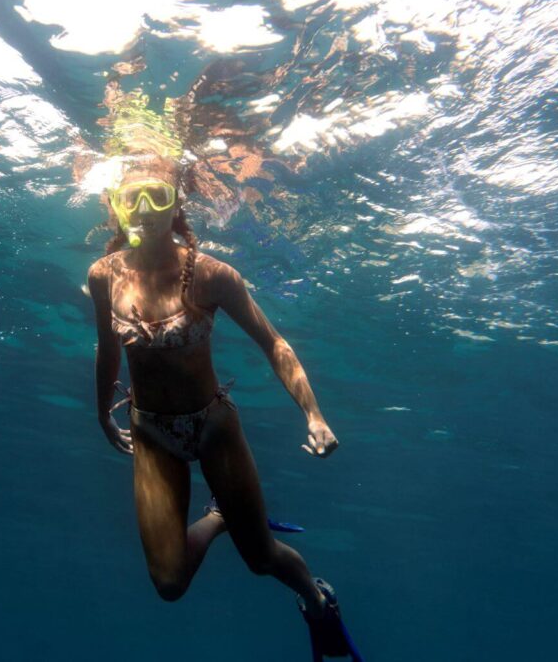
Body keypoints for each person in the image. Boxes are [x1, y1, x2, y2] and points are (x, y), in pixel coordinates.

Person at [87, 153, 362, 660]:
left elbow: (274, 343)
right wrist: (102, 411)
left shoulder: (211, 275)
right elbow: (107, 349)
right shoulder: (104, 275)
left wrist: (314, 414)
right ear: (117, 208)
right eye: (132, 198)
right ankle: (217, 518)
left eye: (158, 196)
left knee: (260, 559)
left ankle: (316, 600)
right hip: (150, 431)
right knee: (168, 583)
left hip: (213, 425)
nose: (144, 209)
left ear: (177, 207)